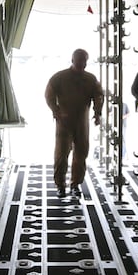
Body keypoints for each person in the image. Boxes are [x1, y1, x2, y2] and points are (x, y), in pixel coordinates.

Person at [44, 48, 103, 196]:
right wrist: (55, 109)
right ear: (72, 60)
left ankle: (75, 184)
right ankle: (60, 185)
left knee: (81, 153)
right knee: (61, 154)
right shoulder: (59, 77)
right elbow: (49, 93)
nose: (81, 64)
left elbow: (98, 95)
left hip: (82, 122)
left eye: (84, 61)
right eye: (79, 61)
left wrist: (97, 112)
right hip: (64, 121)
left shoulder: (90, 79)